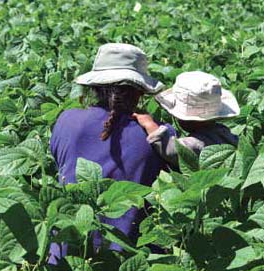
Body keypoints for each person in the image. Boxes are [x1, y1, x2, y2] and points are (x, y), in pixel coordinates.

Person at [48, 43, 172, 264]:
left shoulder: (66, 121)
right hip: (127, 256)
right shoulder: (156, 134)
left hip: (66, 255)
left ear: (94, 87)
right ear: (140, 92)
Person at [133, 71, 240, 169]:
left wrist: (150, 125)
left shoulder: (196, 144)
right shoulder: (223, 131)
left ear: (188, 120)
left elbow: (171, 150)